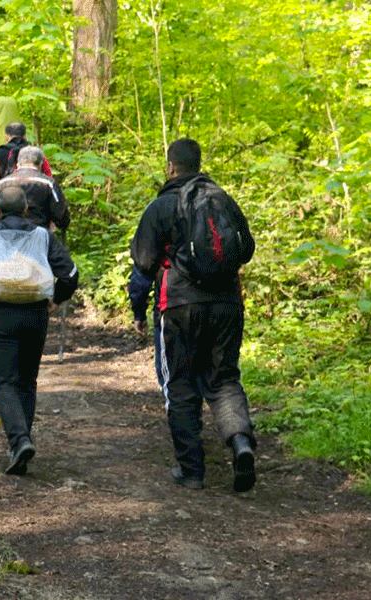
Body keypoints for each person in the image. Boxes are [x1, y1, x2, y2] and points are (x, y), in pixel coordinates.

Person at [127, 138, 258, 492]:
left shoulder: (162, 206)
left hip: (179, 305)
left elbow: (143, 265)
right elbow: (245, 248)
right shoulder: (222, 200)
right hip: (227, 303)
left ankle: (192, 471)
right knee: (224, 379)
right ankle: (240, 443)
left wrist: (137, 308)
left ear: (171, 167)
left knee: (181, 383)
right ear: (198, 164)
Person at [0, 186, 79, 475]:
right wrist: (56, 299)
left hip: (0, 313)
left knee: (4, 382)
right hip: (36, 314)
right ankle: (20, 445)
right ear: (26, 209)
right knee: (27, 381)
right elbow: (70, 274)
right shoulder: (43, 236)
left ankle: (20, 440)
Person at [0, 122, 53, 219]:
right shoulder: (35, 153)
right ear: (25, 136)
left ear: (6, 136)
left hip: (5, 210)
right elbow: (48, 178)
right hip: (36, 212)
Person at [0, 146, 69, 232]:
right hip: (38, 235)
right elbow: (61, 215)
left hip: (6, 235)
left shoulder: (1, 184)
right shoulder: (48, 183)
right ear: (40, 164)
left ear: (18, 163)